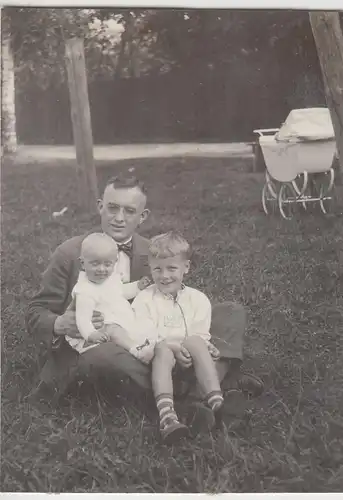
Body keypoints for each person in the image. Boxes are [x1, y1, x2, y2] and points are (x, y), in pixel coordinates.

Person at [26, 174, 263, 421]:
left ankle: (191, 391)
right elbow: (36, 311)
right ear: (100, 207)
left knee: (230, 312)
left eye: (129, 211)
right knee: (102, 358)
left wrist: (175, 341)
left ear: (143, 216)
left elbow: (171, 303)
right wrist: (60, 323)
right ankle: (205, 390)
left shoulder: (153, 251)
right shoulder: (71, 252)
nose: (119, 218)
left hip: (152, 335)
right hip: (106, 345)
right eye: (112, 208)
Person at [131, 232, 228, 444]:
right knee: (163, 349)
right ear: (150, 268)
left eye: (172, 268)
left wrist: (205, 345)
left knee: (196, 340)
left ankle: (216, 401)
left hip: (190, 359)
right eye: (157, 269)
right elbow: (145, 334)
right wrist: (173, 346)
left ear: (186, 268)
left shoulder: (197, 299)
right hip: (159, 361)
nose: (164, 275)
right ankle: (167, 416)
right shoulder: (145, 299)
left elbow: (200, 333)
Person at [66, 232, 152, 355]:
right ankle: (136, 350)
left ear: (114, 263)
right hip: (102, 328)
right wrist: (91, 334)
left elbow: (121, 292)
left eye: (107, 264)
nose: (101, 269)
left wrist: (137, 287)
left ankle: (146, 344)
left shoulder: (111, 279)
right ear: (83, 263)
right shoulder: (85, 290)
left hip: (120, 319)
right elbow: (82, 318)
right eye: (95, 264)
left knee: (142, 321)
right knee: (114, 331)